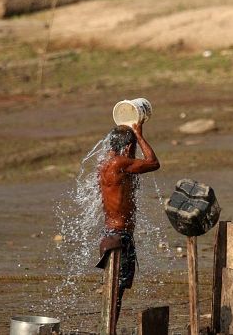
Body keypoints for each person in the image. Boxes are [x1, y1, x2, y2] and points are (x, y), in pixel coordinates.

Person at [95, 122, 159, 321]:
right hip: (119, 236)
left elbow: (134, 162)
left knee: (116, 289)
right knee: (116, 290)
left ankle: (108, 327)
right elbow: (153, 163)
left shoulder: (108, 164)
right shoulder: (118, 164)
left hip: (113, 234)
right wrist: (139, 135)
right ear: (127, 147)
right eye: (132, 146)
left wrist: (135, 134)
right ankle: (108, 329)